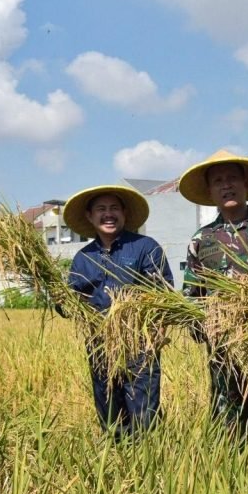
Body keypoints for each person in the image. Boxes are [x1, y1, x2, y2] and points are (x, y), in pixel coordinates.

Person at [178, 150, 248, 449]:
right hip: (224, 348)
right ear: (210, 191)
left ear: (245, 183)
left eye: (232, 178)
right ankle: (234, 479)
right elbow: (192, 294)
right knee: (228, 421)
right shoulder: (202, 239)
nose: (226, 185)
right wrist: (206, 326)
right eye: (218, 181)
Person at [62, 185, 173, 439]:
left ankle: (149, 462)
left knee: (144, 413)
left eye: (114, 208)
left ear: (124, 213)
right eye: (101, 209)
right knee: (109, 411)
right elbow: (70, 304)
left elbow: (164, 296)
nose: (108, 214)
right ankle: (116, 462)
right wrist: (61, 297)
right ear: (90, 216)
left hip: (139, 344)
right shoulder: (83, 257)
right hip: (100, 345)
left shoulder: (145, 247)